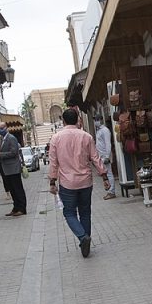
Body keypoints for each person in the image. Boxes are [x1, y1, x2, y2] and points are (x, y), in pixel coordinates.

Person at [48, 108, 109, 257]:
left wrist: (52, 181)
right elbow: (96, 158)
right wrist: (104, 176)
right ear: (78, 120)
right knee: (85, 212)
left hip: (67, 183)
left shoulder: (56, 138)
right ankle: (85, 241)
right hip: (85, 181)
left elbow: (53, 162)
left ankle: (83, 237)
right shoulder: (86, 136)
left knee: (69, 212)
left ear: (63, 121)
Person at [0, 124, 27, 216]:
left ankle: (22, 208)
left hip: (13, 168)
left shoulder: (11, 138)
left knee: (17, 189)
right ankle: (16, 207)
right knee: (12, 189)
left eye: (2, 128)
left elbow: (13, 152)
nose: (0, 130)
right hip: (6, 169)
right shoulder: (3, 139)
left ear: (6, 128)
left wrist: (0, 154)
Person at [94, 118, 116, 200]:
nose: (96, 121)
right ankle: (109, 190)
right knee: (106, 173)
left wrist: (107, 156)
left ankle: (111, 192)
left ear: (101, 120)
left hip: (105, 155)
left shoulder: (105, 130)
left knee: (109, 173)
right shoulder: (99, 130)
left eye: (97, 119)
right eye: (95, 119)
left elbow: (108, 143)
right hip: (101, 155)